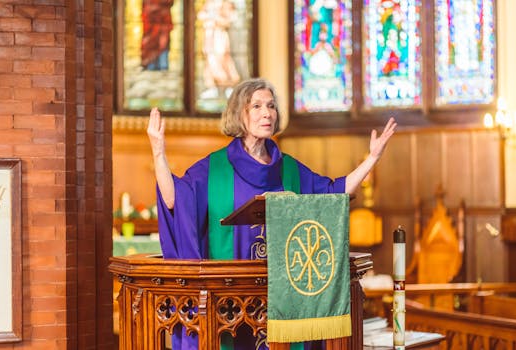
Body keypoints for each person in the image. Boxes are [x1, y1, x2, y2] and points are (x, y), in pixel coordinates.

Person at [147, 78, 397, 349]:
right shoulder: (214, 168)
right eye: (256, 106)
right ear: (238, 114)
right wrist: (158, 152)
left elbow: (334, 193)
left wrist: (371, 159)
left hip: (284, 300)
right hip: (229, 304)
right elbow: (174, 200)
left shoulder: (289, 169)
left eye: (271, 106)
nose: (267, 112)